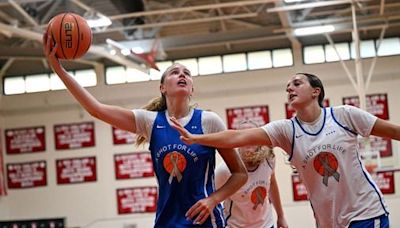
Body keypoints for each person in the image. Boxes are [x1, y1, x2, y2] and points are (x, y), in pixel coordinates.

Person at [43, 34, 247, 228]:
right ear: (162, 88)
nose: (182, 75)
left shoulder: (209, 121)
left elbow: (239, 173)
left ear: (192, 89)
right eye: (175, 72)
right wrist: (58, 68)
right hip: (167, 220)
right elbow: (96, 109)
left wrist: (214, 199)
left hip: (205, 220)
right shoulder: (149, 121)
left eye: (187, 73)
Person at [170, 72, 398, 228]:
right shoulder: (286, 130)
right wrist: (196, 137)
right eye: (287, 86)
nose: (289, 88)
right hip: (328, 220)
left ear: (316, 91)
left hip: (365, 211)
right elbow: (237, 136)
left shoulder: (344, 115)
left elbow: (394, 131)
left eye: (297, 83)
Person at [215, 120, 288, 228]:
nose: (248, 139)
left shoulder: (269, 159)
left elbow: (272, 183)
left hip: (266, 225)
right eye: (243, 135)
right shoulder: (224, 170)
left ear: (259, 139)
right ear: (236, 141)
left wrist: (281, 216)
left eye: (252, 134)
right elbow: (211, 199)